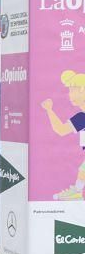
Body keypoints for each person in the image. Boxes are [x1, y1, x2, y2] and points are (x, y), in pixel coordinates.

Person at [41, 70, 85, 200]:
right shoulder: (81, 118)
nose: (69, 95)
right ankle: (77, 190)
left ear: (83, 89)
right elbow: (61, 129)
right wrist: (49, 110)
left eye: (72, 90)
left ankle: (77, 190)